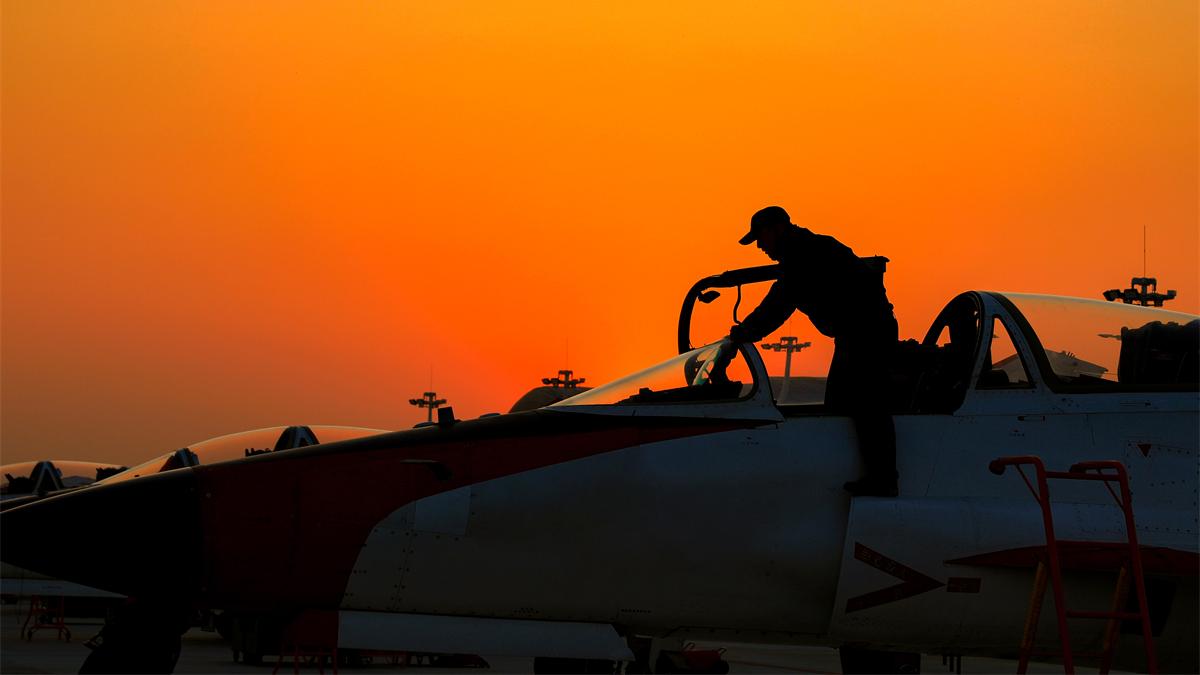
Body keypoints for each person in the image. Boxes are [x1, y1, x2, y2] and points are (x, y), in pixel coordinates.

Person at [729, 206, 899, 497]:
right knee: (838, 404)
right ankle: (856, 473)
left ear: (779, 229)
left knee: (867, 404)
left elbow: (778, 304)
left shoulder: (805, 255)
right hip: (855, 334)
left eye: (761, 237)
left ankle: (883, 479)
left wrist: (743, 334)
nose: (759, 246)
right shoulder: (804, 252)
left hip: (867, 333)